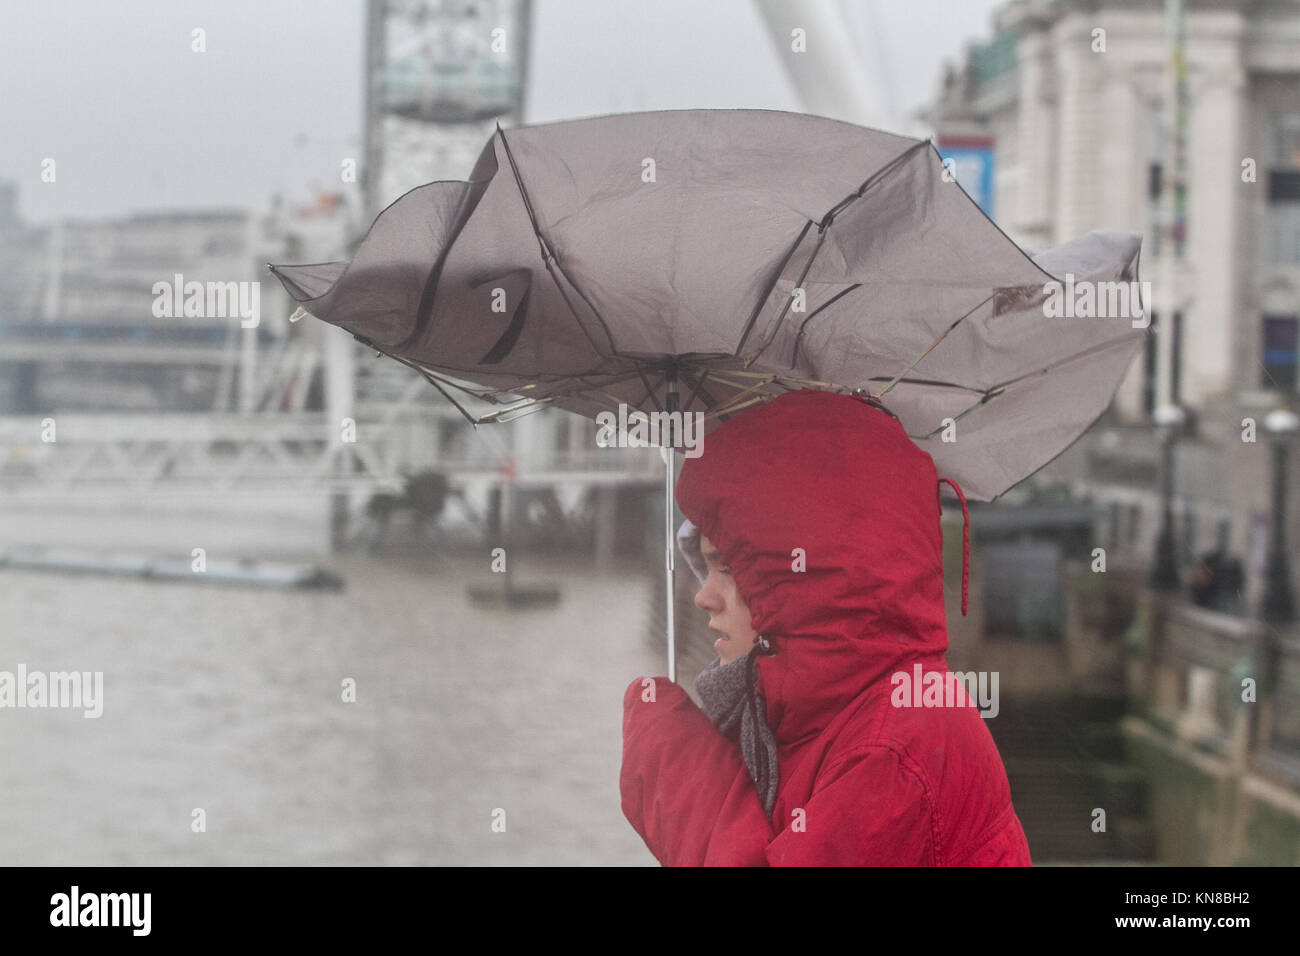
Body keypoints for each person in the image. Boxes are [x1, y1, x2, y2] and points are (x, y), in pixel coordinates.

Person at [620, 388, 1032, 866]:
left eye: (729, 568)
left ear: (805, 579)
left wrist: (672, 763)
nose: (702, 597)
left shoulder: (892, 748)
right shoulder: (823, 719)